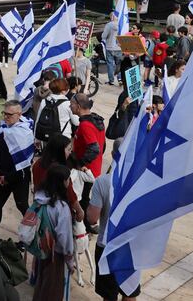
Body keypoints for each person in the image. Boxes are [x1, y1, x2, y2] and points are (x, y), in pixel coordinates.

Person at [85, 139, 140, 301]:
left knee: (109, 296)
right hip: (131, 246)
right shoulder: (140, 181)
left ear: (112, 154)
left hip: (107, 245)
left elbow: (93, 218)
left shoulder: (102, 182)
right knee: (129, 292)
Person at [0, 100, 34, 240]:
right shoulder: (3, 131)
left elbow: (24, 165)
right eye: (4, 114)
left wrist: (7, 178)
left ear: (19, 114)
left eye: (9, 115)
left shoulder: (25, 133)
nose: (6, 117)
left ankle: (29, 239)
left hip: (19, 178)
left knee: (23, 207)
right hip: (3, 176)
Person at [31, 164, 75, 301]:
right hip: (55, 256)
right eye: (68, 179)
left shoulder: (39, 198)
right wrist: (70, 260)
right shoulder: (62, 208)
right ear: (62, 182)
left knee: (40, 286)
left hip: (40, 249)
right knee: (52, 292)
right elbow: (64, 238)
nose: (69, 182)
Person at [70, 93, 106, 211]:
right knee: (85, 197)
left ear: (78, 107)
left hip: (86, 171)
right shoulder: (97, 120)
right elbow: (103, 145)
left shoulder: (86, 125)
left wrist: (80, 164)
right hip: (94, 169)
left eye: (72, 104)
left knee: (82, 199)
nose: (70, 106)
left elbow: (94, 149)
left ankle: (85, 224)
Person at [102, 13, 122, 85]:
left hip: (110, 47)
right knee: (119, 64)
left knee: (110, 64)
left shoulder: (109, 25)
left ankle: (111, 80)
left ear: (111, 16)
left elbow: (104, 36)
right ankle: (120, 79)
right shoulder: (122, 24)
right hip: (119, 47)